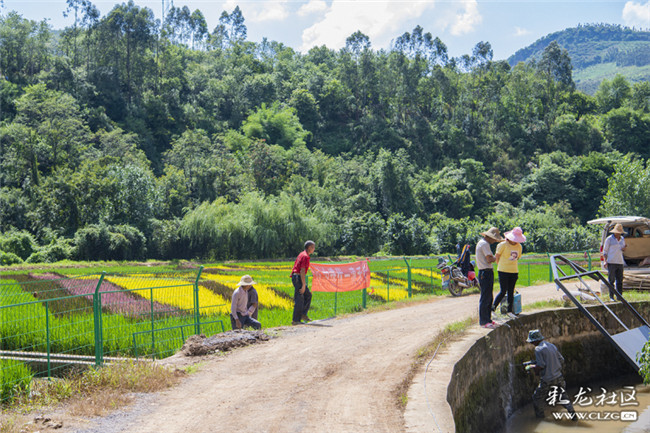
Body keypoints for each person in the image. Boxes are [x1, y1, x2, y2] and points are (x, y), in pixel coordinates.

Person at [526, 329, 576, 420]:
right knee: (563, 397)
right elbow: (561, 359)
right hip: (559, 377)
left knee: (537, 398)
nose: (532, 343)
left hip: (547, 379)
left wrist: (532, 366)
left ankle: (540, 419)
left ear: (536, 340)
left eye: (532, 341)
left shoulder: (538, 349)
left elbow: (541, 365)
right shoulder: (551, 345)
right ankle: (574, 417)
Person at [492, 226, 525, 315]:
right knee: (503, 291)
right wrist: (500, 265)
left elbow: (517, 258)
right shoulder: (502, 245)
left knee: (511, 292)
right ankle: (493, 309)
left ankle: (510, 311)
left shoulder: (519, 246)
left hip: (514, 271)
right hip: (503, 271)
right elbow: (497, 256)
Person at [476, 227, 503, 328]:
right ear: (490, 237)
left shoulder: (482, 243)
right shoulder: (485, 244)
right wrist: (497, 257)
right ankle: (484, 321)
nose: (495, 241)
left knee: (489, 296)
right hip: (485, 273)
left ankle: (488, 319)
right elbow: (489, 259)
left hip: (486, 272)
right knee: (485, 297)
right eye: (494, 239)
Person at [291, 240, 315, 325]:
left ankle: (302, 314)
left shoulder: (302, 254)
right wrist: (304, 285)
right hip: (298, 277)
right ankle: (296, 320)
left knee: (307, 295)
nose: (314, 249)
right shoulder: (305, 256)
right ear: (309, 248)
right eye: (313, 247)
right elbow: (302, 270)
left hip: (297, 277)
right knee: (299, 298)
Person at [603, 223, 627, 301]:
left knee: (619, 280)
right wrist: (605, 261)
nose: (618, 234)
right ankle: (611, 296)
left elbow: (622, 249)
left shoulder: (622, 239)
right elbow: (605, 251)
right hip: (611, 261)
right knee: (611, 280)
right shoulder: (609, 239)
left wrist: (624, 248)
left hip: (620, 262)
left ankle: (619, 296)